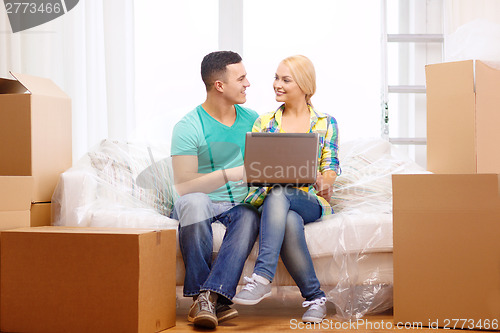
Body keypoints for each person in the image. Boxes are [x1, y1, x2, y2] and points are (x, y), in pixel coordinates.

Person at [232, 55, 340, 323]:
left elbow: (330, 169)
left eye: (285, 79)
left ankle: (262, 276)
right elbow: (254, 171)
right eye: (276, 78)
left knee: (281, 193)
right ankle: (316, 298)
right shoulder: (265, 122)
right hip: (274, 202)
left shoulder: (326, 122)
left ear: (304, 85)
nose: (276, 84)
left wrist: (321, 180)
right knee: (288, 217)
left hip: (310, 201)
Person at [171, 51, 260, 329]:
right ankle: (205, 296)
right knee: (196, 202)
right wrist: (230, 174)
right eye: (241, 78)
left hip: (237, 205)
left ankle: (208, 298)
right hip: (197, 201)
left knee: (249, 215)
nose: (248, 83)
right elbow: (185, 185)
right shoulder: (188, 126)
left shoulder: (253, 120)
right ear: (219, 85)